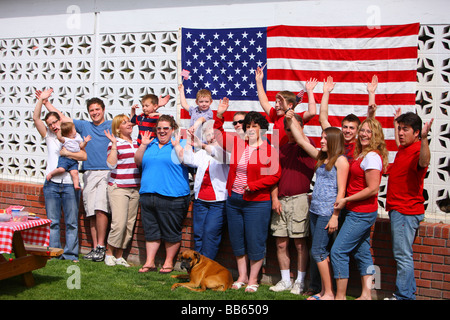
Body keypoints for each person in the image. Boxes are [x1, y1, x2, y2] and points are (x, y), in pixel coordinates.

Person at [213, 98, 281, 293]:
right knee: (237, 239)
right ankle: (242, 276)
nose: (251, 129)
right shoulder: (238, 143)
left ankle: (253, 279)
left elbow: (276, 174)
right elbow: (218, 136)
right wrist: (219, 115)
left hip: (257, 203)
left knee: (255, 239)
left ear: (262, 128)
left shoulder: (268, 149)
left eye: (255, 126)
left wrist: (255, 185)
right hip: (234, 200)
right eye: (248, 125)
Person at [285, 108, 349, 300]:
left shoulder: (341, 161)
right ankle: (323, 291)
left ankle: (329, 293)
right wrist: (291, 121)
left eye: (324, 138)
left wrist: (335, 216)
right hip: (314, 210)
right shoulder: (322, 158)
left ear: (334, 141)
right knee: (320, 251)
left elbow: (342, 191)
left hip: (327, 213)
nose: (320, 141)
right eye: (321, 138)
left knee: (318, 251)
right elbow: (302, 141)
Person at [42, 95, 113, 262]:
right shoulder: (84, 125)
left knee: (101, 209)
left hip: (105, 172)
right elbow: (61, 117)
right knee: (91, 212)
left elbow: (129, 123)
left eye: (97, 109)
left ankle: (101, 246)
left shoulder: (110, 125)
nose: (94, 112)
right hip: (88, 172)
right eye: (91, 110)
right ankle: (95, 248)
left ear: (103, 110)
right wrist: (46, 103)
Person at [331, 117, 389, 300]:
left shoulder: (372, 156)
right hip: (356, 211)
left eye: (368, 131)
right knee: (362, 252)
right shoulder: (362, 153)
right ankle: (366, 295)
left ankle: (340, 296)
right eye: (362, 130)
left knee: (338, 251)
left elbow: (372, 189)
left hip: (361, 213)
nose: (364, 134)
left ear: (376, 136)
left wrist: (347, 199)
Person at [384, 112, 433, 300]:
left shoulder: (418, 149)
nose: (401, 133)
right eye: (400, 129)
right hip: (399, 210)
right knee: (403, 255)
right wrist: (397, 123)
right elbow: (399, 142)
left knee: (402, 256)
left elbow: (424, 161)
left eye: (406, 129)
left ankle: (403, 296)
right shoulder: (404, 149)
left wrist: (425, 139)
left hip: (406, 211)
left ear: (417, 133)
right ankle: (407, 294)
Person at [33, 88, 86, 262]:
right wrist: (41, 100)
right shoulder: (48, 136)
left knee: (71, 223)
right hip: (52, 185)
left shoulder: (72, 135)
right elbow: (36, 118)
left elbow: (83, 156)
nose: (54, 125)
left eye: (56, 122)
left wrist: (67, 154)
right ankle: (54, 253)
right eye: (51, 124)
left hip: (70, 184)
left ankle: (71, 254)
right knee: (53, 222)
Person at [134, 115, 191, 274]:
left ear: (173, 129)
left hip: (172, 196)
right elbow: (138, 161)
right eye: (159, 128)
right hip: (148, 195)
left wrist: (177, 145)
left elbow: (187, 161)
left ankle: (168, 262)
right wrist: (143, 145)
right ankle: (150, 262)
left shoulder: (182, 143)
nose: (162, 131)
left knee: (170, 230)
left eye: (166, 128)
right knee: (151, 230)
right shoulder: (150, 144)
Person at [268, 113, 316, 295]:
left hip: (300, 199)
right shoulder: (281, 149)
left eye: (293, 128)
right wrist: (274, 198)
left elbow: (302, 139)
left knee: (299, 244)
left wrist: (292, 118)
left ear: (301, 128)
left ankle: (300, 281)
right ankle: (285, 280)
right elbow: (273, 177)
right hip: (280, 200)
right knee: (281, 243)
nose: (289, 132)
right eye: (287, 129)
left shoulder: (306, 145)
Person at [181, 120, 230, 260]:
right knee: (199, 233)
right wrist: (189, 143)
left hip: (218, 201)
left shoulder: (224, 151)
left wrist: (202, 146)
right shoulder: (202, 153)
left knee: (211, 233)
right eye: (208, 134)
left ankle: (206, 265)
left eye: (214, 133)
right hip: (200, 200)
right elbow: (188, 160)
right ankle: (197, 265)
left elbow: (220, 156)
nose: (212, 136)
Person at [103, 114, 141, 267]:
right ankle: (109, 253)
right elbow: (111, 165)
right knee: (119, 223)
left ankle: (119, 256)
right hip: (119, 187)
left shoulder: (137, 142)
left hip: (135, 188)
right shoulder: (115, 142)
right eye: (124, 123)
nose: (129, 124)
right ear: (118, 128)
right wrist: (113, 144)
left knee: (129, 224)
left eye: (129, 122)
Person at [319, 75, 378, 162]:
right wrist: (326, 93)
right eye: (345, 127)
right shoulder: (336, 141)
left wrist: (371, 94)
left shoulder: (361, 144)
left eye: (351, 128)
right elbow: (323, 119)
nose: (347, 131)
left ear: (358, 130)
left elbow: (370, 122)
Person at [255, 66, 317, 146]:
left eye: (280, 103)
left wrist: (310, 91)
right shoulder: (276, 116)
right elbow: (264, 102)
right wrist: (259, 81)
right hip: (278, 155)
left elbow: (312, 112)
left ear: (290, 105)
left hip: (292, 154)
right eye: (276, 102)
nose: (276, 105)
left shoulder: (297, 117)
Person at [46, 122, 91, 190]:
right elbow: (59, 138)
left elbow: (81, 146)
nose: (75, 131)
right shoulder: (65, 139)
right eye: (74, 130)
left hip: (73, 160)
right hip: (65, 159)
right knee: (61, 169)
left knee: (75, 172)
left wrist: (85, 142)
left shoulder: (77, 137)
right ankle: (51, 174)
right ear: (69, 133)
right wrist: (59, 130)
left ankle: (76, 185)